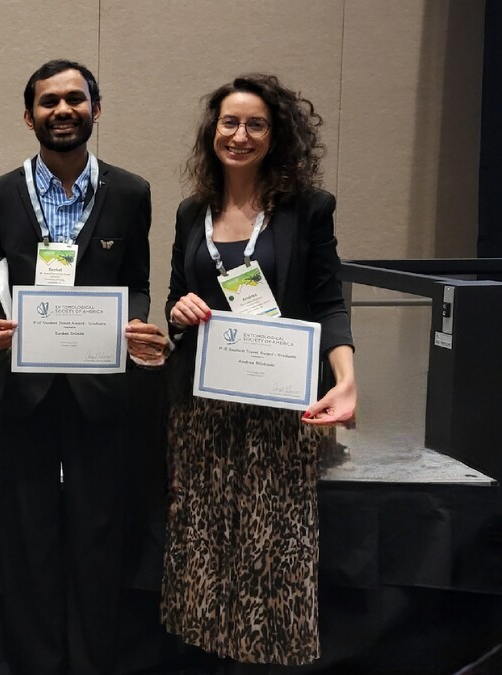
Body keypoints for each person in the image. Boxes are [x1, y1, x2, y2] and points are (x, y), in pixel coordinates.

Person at [0, 59, 167, 675]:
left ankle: (92, 663)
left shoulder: (132, 191)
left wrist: (136, 326)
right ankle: (34, 663)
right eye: (48, 101)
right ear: (28, 115)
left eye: (75, 100)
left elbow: (136, 283)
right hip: (25, 390)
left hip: (102, 392)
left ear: (96, 109)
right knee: (26, 539)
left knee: (98, 538)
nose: (63, 111)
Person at [161, 73, 357, 667]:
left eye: (255, 124)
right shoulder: (193, 211)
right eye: (229, 122)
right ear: (212, 130)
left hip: (280, 408)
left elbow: (327, 302)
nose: (240, 135)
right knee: (203, 550)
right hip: (203, 410)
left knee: (274, 556)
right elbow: (175, 299)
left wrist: (346, 380)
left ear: (276, 136)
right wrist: (179, 309)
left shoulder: (307, 209)